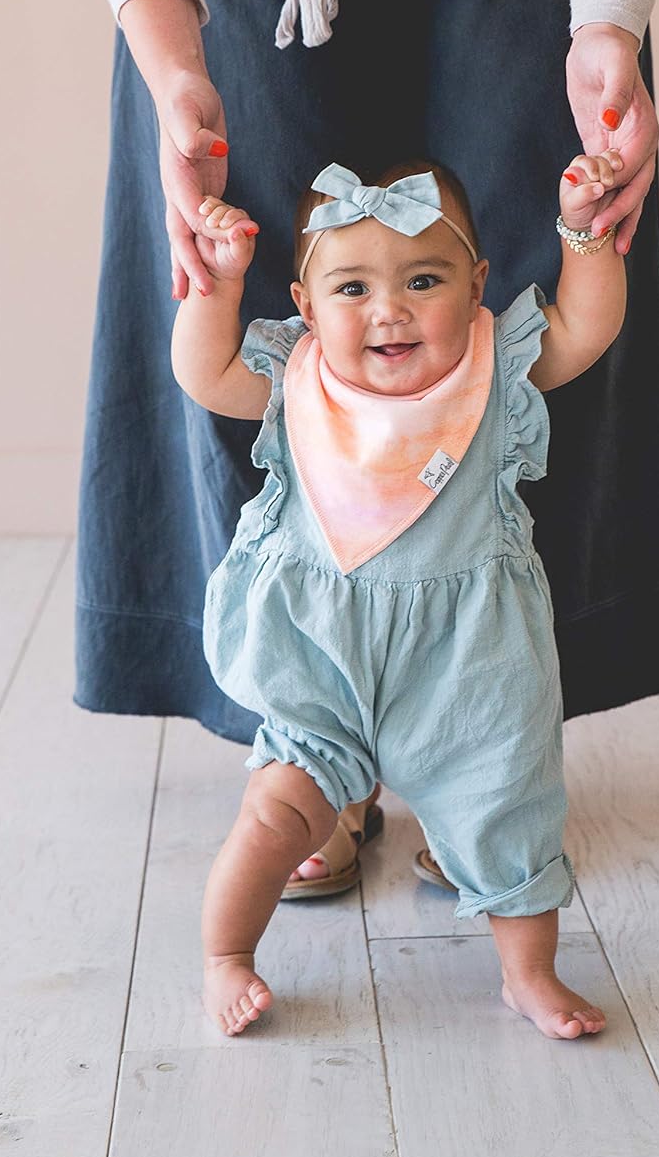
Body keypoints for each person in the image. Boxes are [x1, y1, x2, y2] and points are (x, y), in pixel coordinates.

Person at [45, 0, 659, 897]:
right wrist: (165, 52)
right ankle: (309, 752)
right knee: (244, 273)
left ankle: (482, 762)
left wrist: (607, 11)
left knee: (533, 237)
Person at [173, 154, 625, 1039]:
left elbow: (586, 327)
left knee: (508, 820)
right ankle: (226, 954)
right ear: (305, 307)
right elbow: (201, 373)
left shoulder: (494, 374)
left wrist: (581, 229)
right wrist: (217, 287)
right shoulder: (292, 377)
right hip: (319, 667)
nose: (389, 308)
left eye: (424, 279)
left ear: (477, 284)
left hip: (472, 667)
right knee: (274, 816)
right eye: (350, 287)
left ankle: (526, 974)